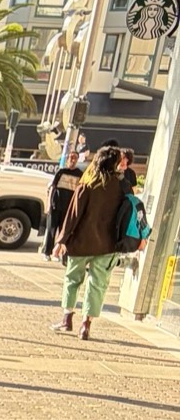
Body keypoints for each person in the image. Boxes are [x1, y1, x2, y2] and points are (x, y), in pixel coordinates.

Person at [53, 143, 127, 339]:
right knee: (97, 284)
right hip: (108, 245)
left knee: (72, 279)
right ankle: (86, 324)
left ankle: (67, 319)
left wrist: (61, 241)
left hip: (80, 243)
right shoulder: (122, 187)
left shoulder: (87, 184)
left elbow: (73, 215)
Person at [44, 140, 87, 261]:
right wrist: (49, 205)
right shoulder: (61, 172)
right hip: (56, 205)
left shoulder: (79, 174)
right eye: (71, 158)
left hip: (68, 208)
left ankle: (59, 254)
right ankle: (47, 252)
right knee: (51, 230)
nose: (73, 160)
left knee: (63, 232)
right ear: (67, 159)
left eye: (75, 158)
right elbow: (52, 188)